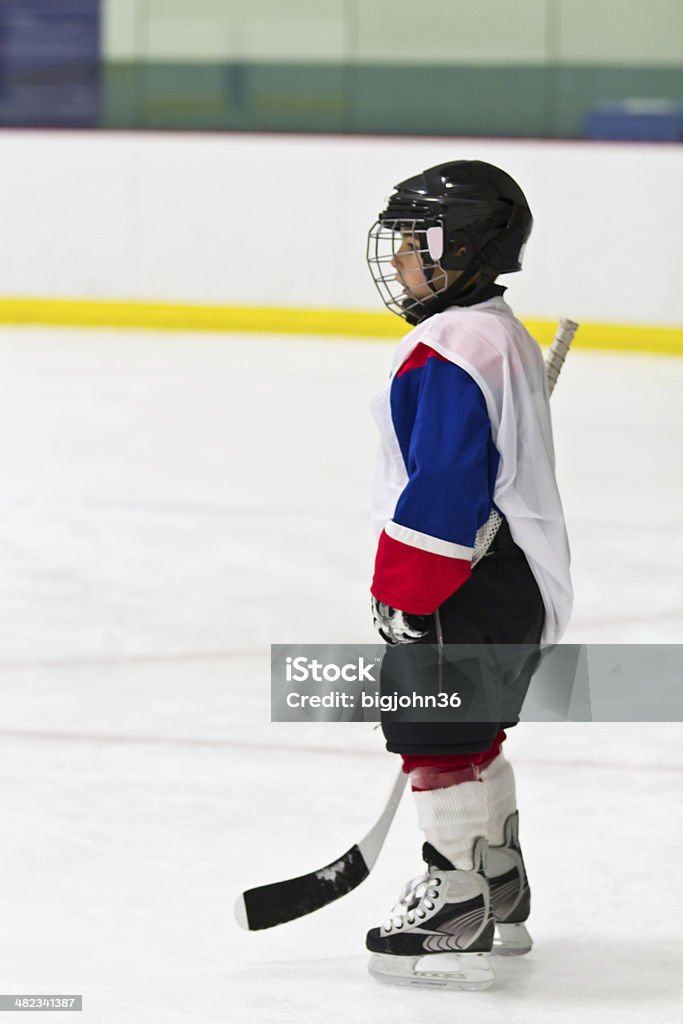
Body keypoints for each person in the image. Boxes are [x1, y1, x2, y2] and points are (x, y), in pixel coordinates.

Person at [364, 160, 572, 989]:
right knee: (473, 735)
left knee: (435, 737)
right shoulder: (495, 331)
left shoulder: (449, 351)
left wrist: (403, 589)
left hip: (459, 581)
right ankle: (497, 882)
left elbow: (445, 486)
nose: (403, 261)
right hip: (508, 579)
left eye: (417, 244)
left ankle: (455, 900)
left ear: (465, 248)